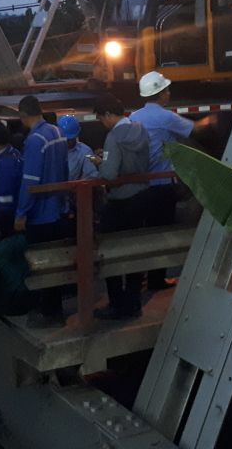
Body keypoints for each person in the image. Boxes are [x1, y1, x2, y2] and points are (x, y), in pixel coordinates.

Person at [129, 71, 207, 289]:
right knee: (162, 233)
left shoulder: (134, 116)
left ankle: (143, 277)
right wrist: (219, 120)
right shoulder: (164, 117)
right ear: (161, 94)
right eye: (167, 90)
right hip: (162, 185)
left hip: (142, 185)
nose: (169, 93)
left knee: (147, 232)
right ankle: (156, 280)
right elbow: (196, 128)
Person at [93, 94, 152, 319]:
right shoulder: (141, 130)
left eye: (101, 118)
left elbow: (109, 174)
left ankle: (117, 303)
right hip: (142, 196)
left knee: (111, 252)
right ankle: (134, 301)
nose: (102, 123)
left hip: (120, 202)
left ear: (108, 115)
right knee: (135, 250)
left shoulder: (113, 137)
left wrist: (100, 163)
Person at [16, 95, 70, 328]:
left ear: (23, 115)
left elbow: (30, 181)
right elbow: (65, 170)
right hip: (58, 209)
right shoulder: (57, 133)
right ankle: (54, 307)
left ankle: (47, 311)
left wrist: (20, 212)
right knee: (55, 261)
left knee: (40, 263)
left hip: (41, 215)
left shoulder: (35, 140)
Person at [0, 119, 23, 241]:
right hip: (13, 211)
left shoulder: (5, 164)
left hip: (7, 215)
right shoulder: (14, 154)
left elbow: (5, 196)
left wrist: (1, 218)